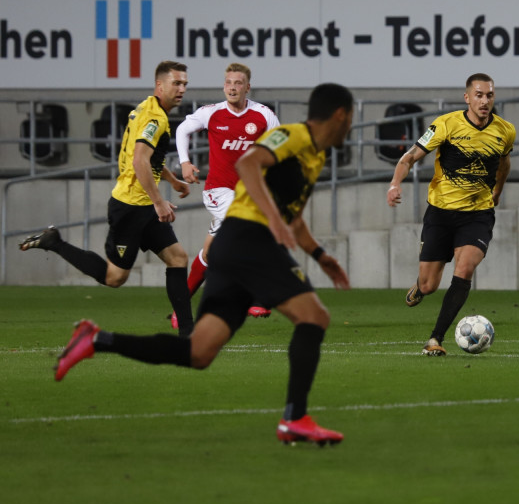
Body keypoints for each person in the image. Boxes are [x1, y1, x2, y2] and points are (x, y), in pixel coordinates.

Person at [53, 83, 354, 446]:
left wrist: (320, 255)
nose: (351, 126)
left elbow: (293, 216)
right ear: (340, 115)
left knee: (198, 353)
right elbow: (248, 163)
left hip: (233, 248)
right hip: (249, 240)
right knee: (314, 317)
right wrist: (273, 219)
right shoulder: (292, 136)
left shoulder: (316, 156)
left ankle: (97, 340)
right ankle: (294, 418)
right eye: (351, 118)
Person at [19, 61, 196, 336]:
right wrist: (160, 201)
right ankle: (55, 242)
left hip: (144, 205)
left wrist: (171, 180)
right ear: (159, 86)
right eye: (176, 83)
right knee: (115, 278)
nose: (182, 89)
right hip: (130, 209)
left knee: (178, 258)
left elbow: (147, 159)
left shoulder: (146, 108)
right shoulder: (155, 119)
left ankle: (188, 334)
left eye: (184, 83)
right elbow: (139, 161)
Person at [386, 73, 516, 356]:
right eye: (479, 95)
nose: (485, 101)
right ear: (467, 97)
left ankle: (435, 338)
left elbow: (504, 163)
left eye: (489, 95)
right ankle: (420, 287)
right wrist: (395, 183)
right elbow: (409, 157)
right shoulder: (445, 124)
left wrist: (498, 190)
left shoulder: (505, 130)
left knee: (465, 268)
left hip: (478, 215)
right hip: (441, 214)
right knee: (429, 284)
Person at [172, 62, 280, 326]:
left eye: (238, 83)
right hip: (219, 190)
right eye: (228, 83)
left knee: (210, 254)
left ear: (247, 87)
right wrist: (185, 162)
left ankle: (180, 308)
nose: (232, 88)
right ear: (224, 86)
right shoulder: (212, 113)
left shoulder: (264, 116)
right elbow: (182, 129)